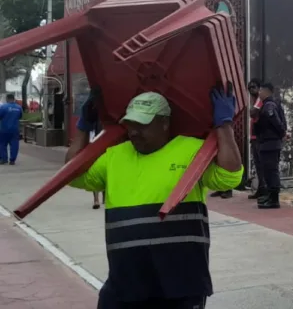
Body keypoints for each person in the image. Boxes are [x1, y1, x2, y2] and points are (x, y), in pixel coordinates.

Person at [67, 87, 243, 309]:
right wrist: (83, 126)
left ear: (164, 123)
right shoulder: (115, 156)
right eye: (130, 125)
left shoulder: (191, 150)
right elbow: (72, 175)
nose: (134, 132)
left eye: (142, 125)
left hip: (181, 286)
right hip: (126, 284)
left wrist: (224, 125)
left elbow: (229, 177)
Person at [253, 82, 286, 209]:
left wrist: (281, 133)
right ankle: (270, 196)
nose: (259, 93)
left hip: (270, 143)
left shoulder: (269, 105)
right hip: (268, 142)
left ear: (267, 91)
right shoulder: (268, 104)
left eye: (261, 90)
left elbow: (276, 122)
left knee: (271, 171)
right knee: (267, 171)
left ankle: (274, 199)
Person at [245, 79, 267, 202]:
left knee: (263, 165)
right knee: (258, 166)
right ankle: (261, 189)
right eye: (249, 88)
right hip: (254, 138)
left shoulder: (260, 100)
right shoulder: (254, 100)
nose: (251, 90)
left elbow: (253, 113)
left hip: (260, 138)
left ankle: (264, 190)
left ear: (259, 88)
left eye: (253, 87)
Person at [0, 93, 22, 165]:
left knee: (2, 144)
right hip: (15, 129)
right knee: (15, 144)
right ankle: (12, 160)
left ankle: (4, 159)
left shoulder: (3, 107)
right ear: (14, 99)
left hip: (4, 129)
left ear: (7, 99)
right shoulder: (19, 107)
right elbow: (20, 116)